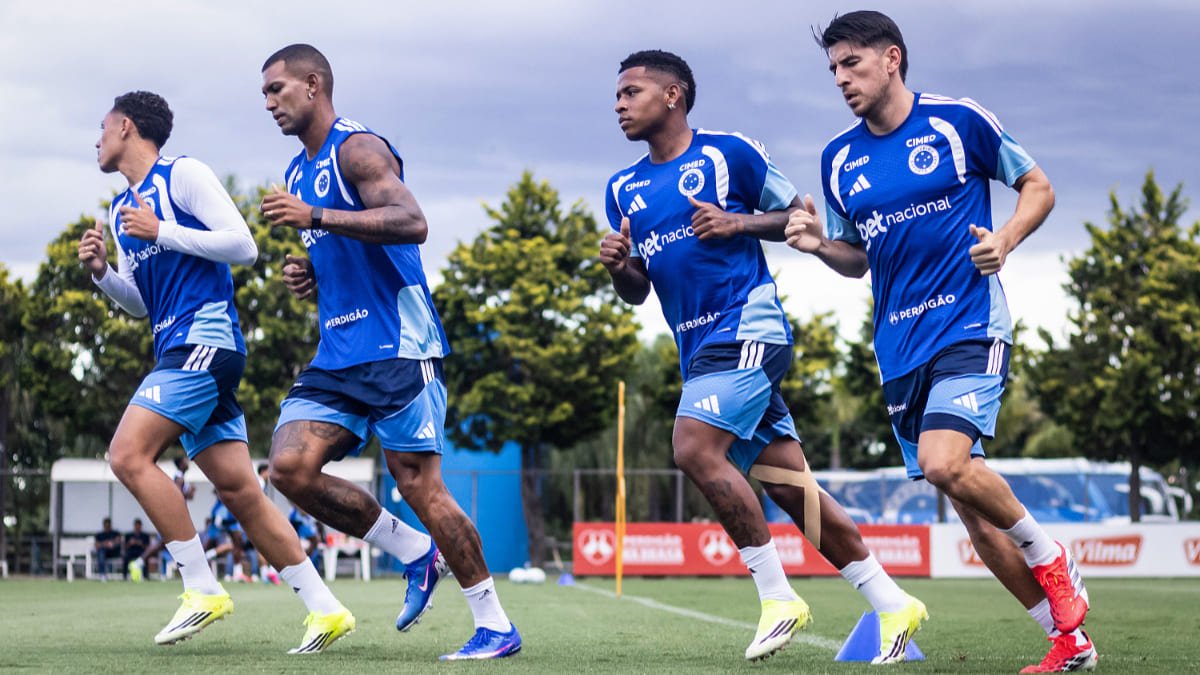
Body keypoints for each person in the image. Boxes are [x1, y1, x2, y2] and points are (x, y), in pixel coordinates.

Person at [787, 11, 1095, 673]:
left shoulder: (958, 121)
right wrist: (817, 247)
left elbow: (1038, 186)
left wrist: (1003, 241)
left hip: (968, 324)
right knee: (974, 519)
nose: (841, 79)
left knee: (947, 461)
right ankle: (1069, 640)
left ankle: (1051, 556)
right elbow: (856, 257)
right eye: (834, 68)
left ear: (891, 58)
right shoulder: (838, 158)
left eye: (853, 64)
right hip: (899, 350)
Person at [600, 49, 926, 663]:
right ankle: (892, 603)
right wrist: (622, 269)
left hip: (749, 326)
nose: (619, 104)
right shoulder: (622, 189)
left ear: (673, 96)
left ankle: (778, 598)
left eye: (631, 92)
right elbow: (638, 291)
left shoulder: (728, 153)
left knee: (693, 447)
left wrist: (737, 224)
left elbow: (799, 217)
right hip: (699, 352)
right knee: (789, 487)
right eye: (616, 95)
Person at [258, 43, 520, 661]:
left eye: (277, 89)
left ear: (313, 84)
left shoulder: (358, 148)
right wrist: (312, 275)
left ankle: (494, 624)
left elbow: (410, 221)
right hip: (337, 353)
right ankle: (413, 552)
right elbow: (349, 251)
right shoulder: (297, 171)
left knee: (420, 485)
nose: (269, 103)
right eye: (264, 94)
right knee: (288, 469)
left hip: (399, 348)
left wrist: (316, 216)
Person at [77, 90, 354, 653]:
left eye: (102, 126)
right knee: (240, 491)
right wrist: (104, 272)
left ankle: (201, 587)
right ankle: (326, 609)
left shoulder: (183, 176)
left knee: (128, 456)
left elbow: (243, 246)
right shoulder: (119, 210)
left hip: (205, 343)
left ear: (127, 127)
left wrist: (162, 231)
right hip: (178, 349)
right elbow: (139, 304)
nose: (96, 138)